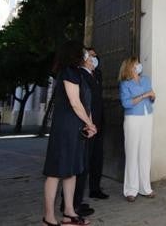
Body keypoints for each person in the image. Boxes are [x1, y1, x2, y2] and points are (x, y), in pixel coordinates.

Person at [42, 41, 96, 226]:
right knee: (55, 171)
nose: (86, 55)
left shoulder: (77, 73)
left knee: (71, 171)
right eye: (82, 52)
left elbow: (84, 102)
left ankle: (69, 213)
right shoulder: (68, 72)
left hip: (75, 127)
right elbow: (75, 102)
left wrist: (87, 123)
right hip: (65, 128)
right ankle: (48, 217)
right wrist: (90, 123)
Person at [60, 49, 97, 217]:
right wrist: (89, 123)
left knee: (81, 166)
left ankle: (74, 203)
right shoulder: (76, 73)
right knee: (75, 167)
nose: (92, 59)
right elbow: (79, 102)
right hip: (78, 125)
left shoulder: (86, 74)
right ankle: (71, 205)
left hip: (85, 123)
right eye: (90, 56)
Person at [119, 57, 156, 202]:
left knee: (145, 152)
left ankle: (145, 188)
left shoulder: (146, 79)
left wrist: (152, 96)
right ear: (130, 66)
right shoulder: (125, 84)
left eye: (138, 63)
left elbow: (152, 96)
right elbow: (126, 103)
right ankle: (130, 190)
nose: (139, 65)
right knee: (132, 152)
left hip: (148, 116)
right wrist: (145, 95)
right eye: (136, 63)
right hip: (133, 119)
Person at [86, 48, 108, 200]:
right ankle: (73, 197)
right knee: (82, 158)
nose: (94, 58)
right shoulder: (80, 74)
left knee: (97, 157)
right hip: (86, 122)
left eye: (96, 55)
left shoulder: (98, 74)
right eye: (91, 55)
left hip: (99, 121)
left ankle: (95, 188)